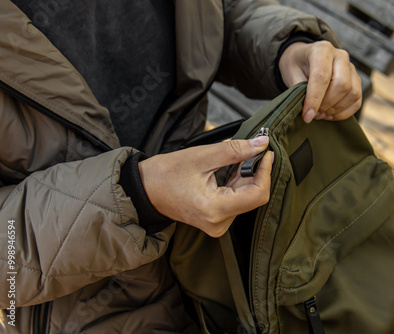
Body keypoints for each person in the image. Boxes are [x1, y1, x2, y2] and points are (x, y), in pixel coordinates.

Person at [0, 0, 361, 332]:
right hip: (89, 305)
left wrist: (286, 47)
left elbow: (219, 12)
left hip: (240, 243)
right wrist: (137, 195)